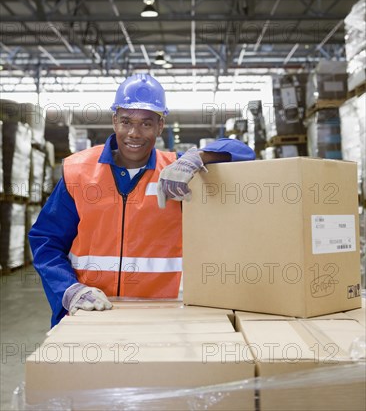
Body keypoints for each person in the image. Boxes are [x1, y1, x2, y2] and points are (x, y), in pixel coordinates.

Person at [29, 74, 256, 326]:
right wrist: (69, 289)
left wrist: (197, 157)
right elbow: (46, 240)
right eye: (126, 121)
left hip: (161, 315)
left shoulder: (177, 171)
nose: (134, 133)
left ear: (160, 126)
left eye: (146, 124)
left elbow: (244, 152)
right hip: (90, 313)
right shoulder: (79, 172)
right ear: (114, 121)